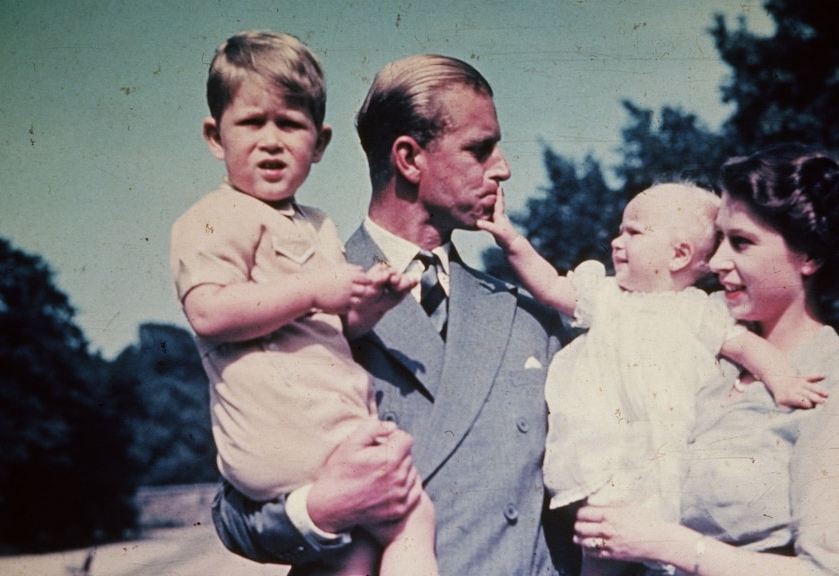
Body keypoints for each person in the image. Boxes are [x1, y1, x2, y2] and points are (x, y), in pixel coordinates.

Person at [211, 53, 576, 576]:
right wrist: (322, 510)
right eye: (480, 149)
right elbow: (234, 512)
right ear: (408, 158)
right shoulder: (297, 301)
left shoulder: (528, 319)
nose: (503, 168)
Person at [170, 31, 437, 576]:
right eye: (252, 123)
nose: (271, 141)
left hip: (323, 428)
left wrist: (373, 304)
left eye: (290, 125)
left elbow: (339, 327)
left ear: (319, 143)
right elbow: (208, 313)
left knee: (355, 552)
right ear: (215, 137)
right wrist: (314, 289)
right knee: (413, 516)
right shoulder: (212, 218)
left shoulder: (317, 225)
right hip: (285, 432)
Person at [572, 145, 839, 575]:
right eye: (720, 239)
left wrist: (671, 545)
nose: (716, 261)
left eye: (742, 243)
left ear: (810, 255)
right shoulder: (705, 361)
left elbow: (834, 571)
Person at [480, 183, 827, 576]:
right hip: (600, 455)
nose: (616, 242)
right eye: (620, 231)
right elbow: (550, 286)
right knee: (601, 545)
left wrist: (783, 380)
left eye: (633, 232)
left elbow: (749, 348)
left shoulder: (699, 312)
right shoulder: (607, 297)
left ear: (679, 255)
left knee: (653, 545)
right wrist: (512, 242)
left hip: (661, 456)